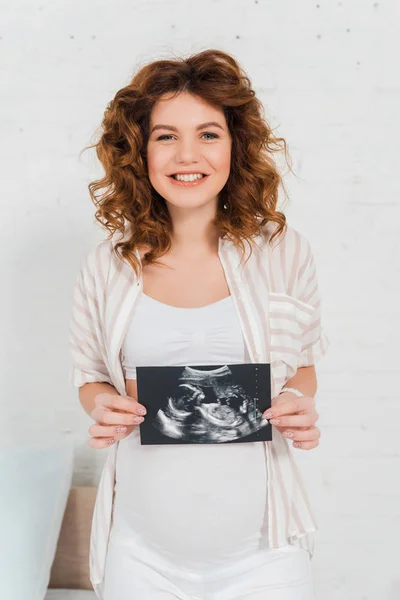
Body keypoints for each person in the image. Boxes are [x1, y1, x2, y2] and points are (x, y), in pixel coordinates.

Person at [69, 48, 330, 600]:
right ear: (139, 151)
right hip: (141, 555)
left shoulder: (285, 253)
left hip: (266, 554)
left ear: (236, 144)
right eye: (166, 136)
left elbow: (302, 367)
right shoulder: (106, 266)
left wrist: (298, 403)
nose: (187, 154)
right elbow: (90, 375)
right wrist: (99, 404)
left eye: (208, 134)